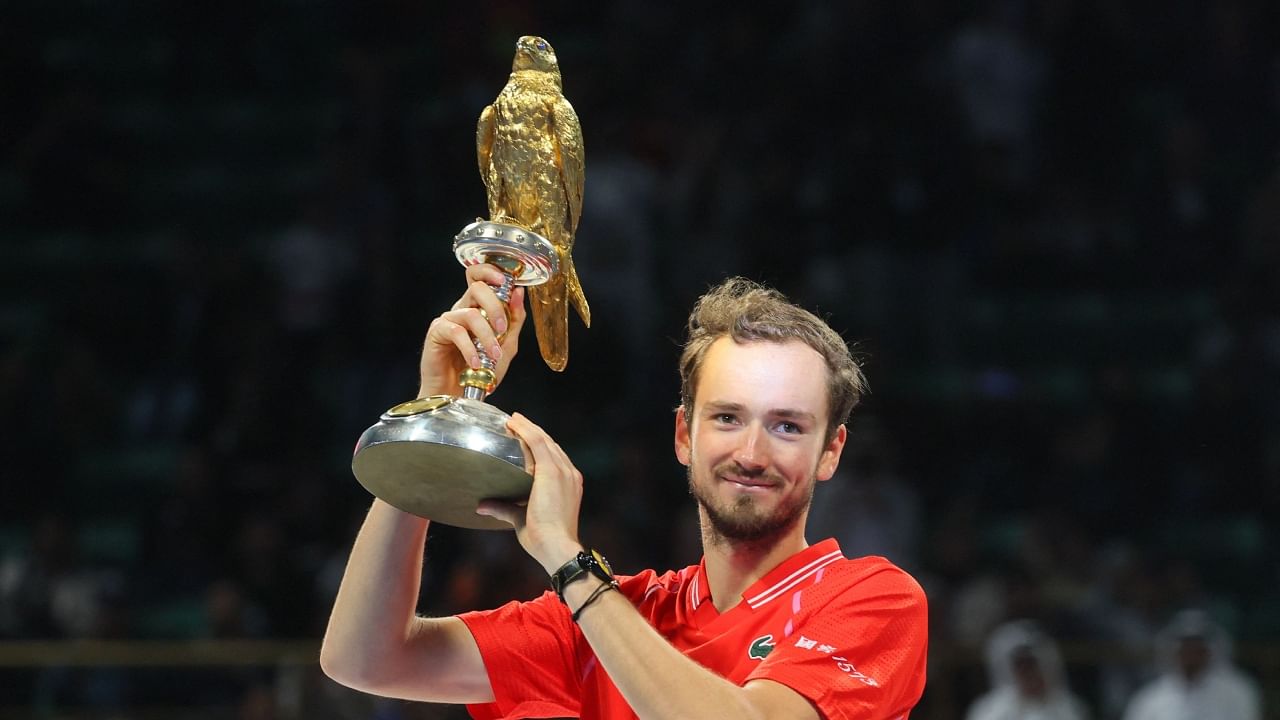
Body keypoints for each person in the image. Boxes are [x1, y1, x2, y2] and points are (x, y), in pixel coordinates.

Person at [321, 268, 929, 719]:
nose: (751, 453)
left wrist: (569, 560)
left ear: (831, 452)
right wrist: (437, 426)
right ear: (684, 435)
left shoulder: (874, 602)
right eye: (726, 418)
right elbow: (365, 658)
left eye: (787, 426)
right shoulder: (614, 617)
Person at [1122, 609, 1261, 720]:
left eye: (1197, 648)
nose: (1191, 655)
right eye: (1186, 648)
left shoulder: (1237, 691)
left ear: (1210, 651)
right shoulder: (1150, 698)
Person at [965, 620, 1090, 720]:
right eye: (1020, 666)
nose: (1029, 674)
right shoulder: (988, 711)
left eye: (1032, 665)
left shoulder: (1070, 708)